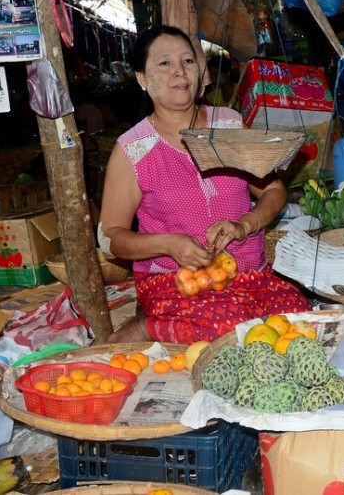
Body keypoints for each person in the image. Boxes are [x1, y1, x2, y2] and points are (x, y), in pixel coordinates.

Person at [99, 25, 310, 344]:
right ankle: (147, 325)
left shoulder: (229, 125)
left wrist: (245, 224)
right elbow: (110, 237)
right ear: (142, 79)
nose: (179, 72)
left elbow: (273, 191)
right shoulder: (133, 149)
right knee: (230, 333)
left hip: (249, 275)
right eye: (164, 64)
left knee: (298, 322)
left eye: (187, 60)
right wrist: (169, 243)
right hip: (177, 280)